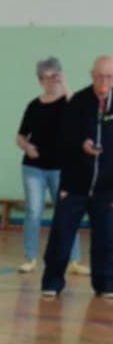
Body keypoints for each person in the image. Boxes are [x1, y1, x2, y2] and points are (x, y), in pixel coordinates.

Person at [41, 56, 113, 301]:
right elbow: (62, 140)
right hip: (74, 185)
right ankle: (52, 282)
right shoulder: (78, 102)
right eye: (99, 75)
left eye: (109, 76)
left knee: (106, 239)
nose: (104, 81)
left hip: (107, 189)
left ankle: (105, 284)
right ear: (92, 75)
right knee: (61, 236)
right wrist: (82, 144)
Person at [15, 58, 83, 274]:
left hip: (62, 168)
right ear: (40, 80)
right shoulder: (33, 106)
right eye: (46, 77)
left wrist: (65, 85)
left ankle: (74, 260)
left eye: (55, 76)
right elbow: (20, 137)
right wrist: (27, 147)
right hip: (33, 167)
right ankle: (30, 258)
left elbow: (79, 114)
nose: (51, 81)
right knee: (33, 211)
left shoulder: (69, 102)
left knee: (66, 212)